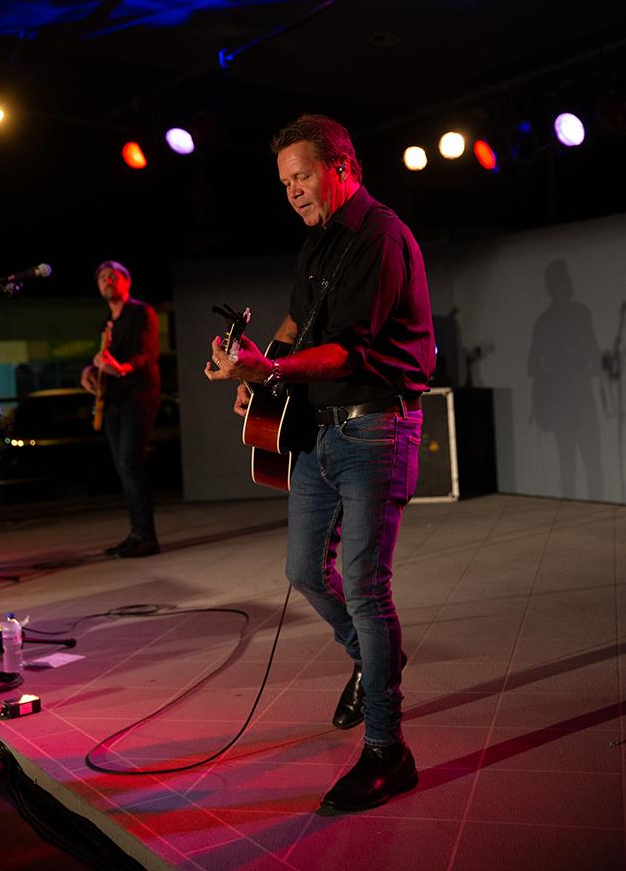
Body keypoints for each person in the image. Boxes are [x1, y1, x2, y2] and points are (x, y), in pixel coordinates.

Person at [204, 114, 435, 814]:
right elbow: (293, 325)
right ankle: (373, 661)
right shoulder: (318, 242)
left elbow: (345, 349)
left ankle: (386, 750)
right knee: (304, 570)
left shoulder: (380, 236)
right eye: (284, 183)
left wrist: (271, 367)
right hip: (318, 432)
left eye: (302, 177)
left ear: (341, 167)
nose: (293, 192)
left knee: (365, 584)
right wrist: (257, 370)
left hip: (374, 428)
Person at [80, 261, 161, 558]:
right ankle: (136, 533)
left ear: (127, 281)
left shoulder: (141, 313)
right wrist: (89, 370)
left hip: (136, 396)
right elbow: (104, 359)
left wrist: (121, 368)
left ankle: (146, 536)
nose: (106, 281)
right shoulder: (107, 323)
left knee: (130, 463)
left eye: (112, 276)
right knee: (123, 467)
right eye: (101, 278)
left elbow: (146, 356)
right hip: (112, 400)